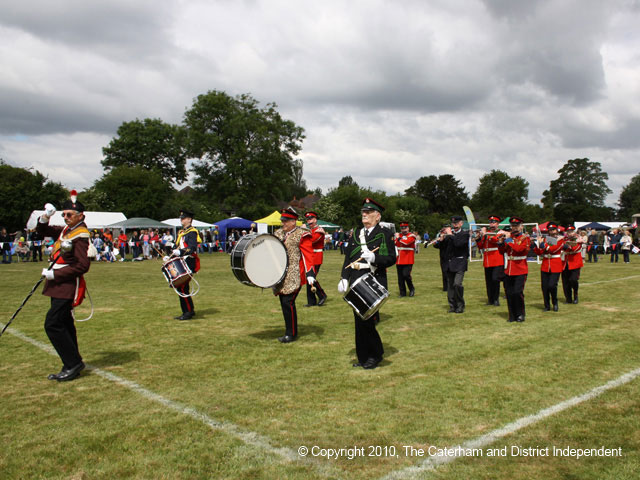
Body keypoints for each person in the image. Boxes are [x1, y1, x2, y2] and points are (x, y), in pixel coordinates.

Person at [36, 191, 91, 382]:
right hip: (58, 283)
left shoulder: (80, 234)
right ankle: (71, 362)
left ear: (80, 216)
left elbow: (83, 265)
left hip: (67, 284)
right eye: (64, 214)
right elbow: (42, 232)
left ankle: (73, 362)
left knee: (53, 323)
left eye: (70, 215)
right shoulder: (66, 230)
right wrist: (45, 217)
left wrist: (55, 274)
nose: (66, 218)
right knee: (65, 323)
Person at [339, 198, 396, 369]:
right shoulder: (357, 233)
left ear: (377, 216)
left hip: (373, 279)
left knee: (367, 320)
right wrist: (344, 277)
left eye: (368, 212)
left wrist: (375, 258)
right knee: (359, 320)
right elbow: (349, 257)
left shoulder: (384, 233)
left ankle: (376, 355)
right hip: (357, 278)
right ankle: (363, 357)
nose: (364, 214)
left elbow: (391, 258)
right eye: (363, 212)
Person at [272, 207, 314, 343]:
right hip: (280, 274)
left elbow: (307, 254)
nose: (283, 223)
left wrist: (310, 273)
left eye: (285, 221)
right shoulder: (278, 234)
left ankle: (291, 333)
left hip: (294, 273)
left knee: (288, 302)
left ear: (293, 221)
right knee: (283, 302)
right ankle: (289, 330)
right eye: (282, 221)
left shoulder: (302, 234)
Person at [498, 217, 531, 322]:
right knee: (509, 293)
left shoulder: (524, 238)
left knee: (517, 292)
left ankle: (520, 314)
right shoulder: (509, 237)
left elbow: (519, 249)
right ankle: (511, 315)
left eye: (516, 226)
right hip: (509, 268)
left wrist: (509, 241)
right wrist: (501, 243)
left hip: (520, 268)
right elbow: (502, 251)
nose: (514, 228)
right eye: (513, 226)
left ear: (521, 227)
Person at [170, 210, 201, 320]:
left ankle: (187, 312)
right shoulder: (182, 232)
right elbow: (177, 246)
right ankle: (189, 310)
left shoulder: (192, 232)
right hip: (182, 262)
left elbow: (192, 248)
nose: (181, 219)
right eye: (181, 218)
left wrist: (181, 252)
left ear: (189, 219)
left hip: (189, 261)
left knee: (182, 287)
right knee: (183, 288)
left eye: (183, 218)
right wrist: (171, 254)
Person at [435, 216, 470, 313]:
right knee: (450, 286)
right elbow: (440, 246)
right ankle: (452, 305)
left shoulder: (465, 234)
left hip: (460, 263)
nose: (455, 225)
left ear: (461, 223)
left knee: (457, 284)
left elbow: (459, 244)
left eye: (457, 223)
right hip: (450, 263)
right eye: (453, 223)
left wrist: (450, 235)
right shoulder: (450, 235)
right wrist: (441, 239)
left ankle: (460, 304)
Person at [533, 222, 564, 312]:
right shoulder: (546, 239)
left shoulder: (560, 239)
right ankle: (547, 305)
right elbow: (539, 252)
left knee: (552, 285)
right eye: (550, 230)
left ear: (556, 230)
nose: (552, 232)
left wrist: (544, 244)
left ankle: (555, 302)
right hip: (546, 264)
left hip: (555, 264)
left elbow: (553, 249)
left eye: (553, 230)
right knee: (545, 287)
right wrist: (536, 245)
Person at [475, 215, 505, 306]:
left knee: (495, 279)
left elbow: (496, 240)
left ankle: (496, 299)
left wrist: (485, 234)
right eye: (490, 222)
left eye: (494, 222)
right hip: (487, 259)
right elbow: (481, 246)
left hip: (496, 259)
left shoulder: (500, 232)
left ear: (498, 224)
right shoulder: (487, 233)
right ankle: (490, 299)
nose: (491, 224)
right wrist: (478, 238)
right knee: (488, 281)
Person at [303, 211, 328, 307]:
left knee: (311, 278)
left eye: (311, 219)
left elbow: (311, 241)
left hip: (316, 257)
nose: (309, 221)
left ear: (315, 220)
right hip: (309, 257)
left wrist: (304, 231)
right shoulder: (311, 230)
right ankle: (311, 301)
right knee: (308, 279)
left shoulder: (319, 231)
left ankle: (322, 295)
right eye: (308, 219)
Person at [561, 225, 583, 304]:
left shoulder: (578, 239)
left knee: (573, 280)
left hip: (575, 262)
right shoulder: (564, 239)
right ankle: (568, 298)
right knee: (565, 282)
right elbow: (558, 246)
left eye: (572, 231)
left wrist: (567, 246)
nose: (570, 233)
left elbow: (576, 248)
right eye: (569, 232)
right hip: (565, 263)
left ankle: (575, 295)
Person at [394, 221, 417, 297]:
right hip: (399, 259)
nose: (403, 230)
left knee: (406, 275)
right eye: (402, 228)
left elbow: (406, 242)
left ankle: (411, 288)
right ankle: (402, 293)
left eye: (405, 228)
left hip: (408, 259)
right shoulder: (399, 235)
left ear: (408, 228)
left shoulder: (411, 236)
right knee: (400, 278)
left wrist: (398, 238)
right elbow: (395, 243)